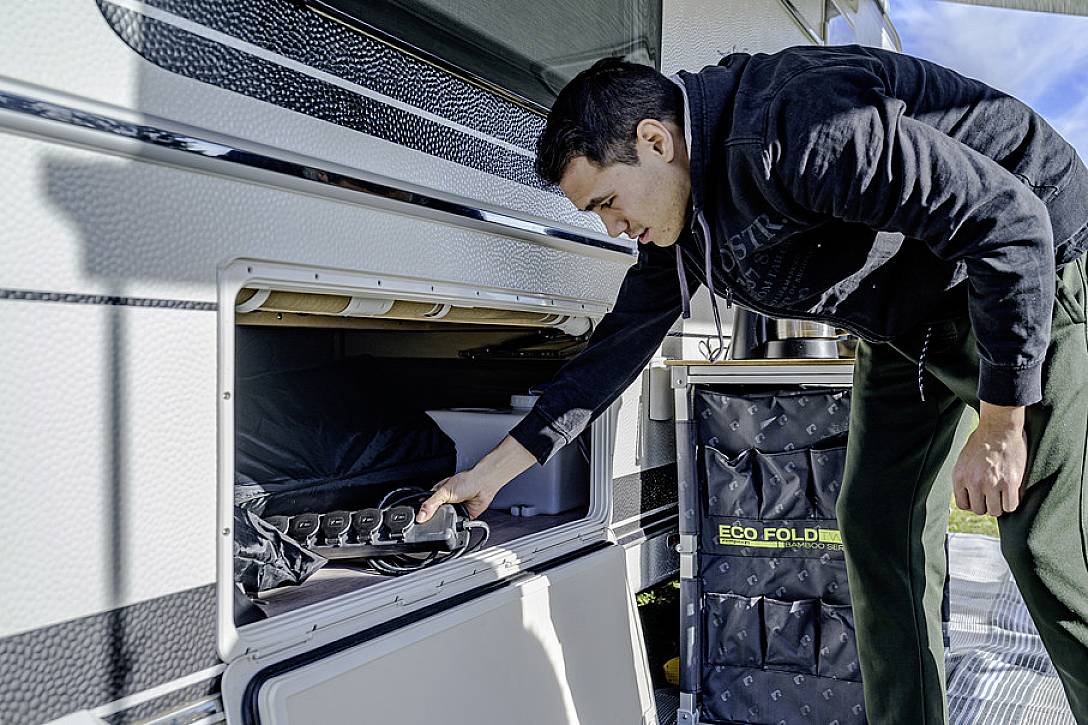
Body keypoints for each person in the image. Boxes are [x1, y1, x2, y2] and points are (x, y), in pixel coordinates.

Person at [417, 45, 1088, 723]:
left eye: (609, 202)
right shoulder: (681, 221)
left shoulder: (802, 125)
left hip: (1023, 274)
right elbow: (614, 350)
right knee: (876, 525)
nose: (614, 227)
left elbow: (1012, 221)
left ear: (656, 140)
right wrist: (495, 470)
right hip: (907, 318)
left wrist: (1002, 423)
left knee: (1040, 548)